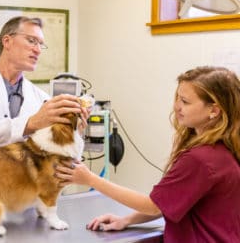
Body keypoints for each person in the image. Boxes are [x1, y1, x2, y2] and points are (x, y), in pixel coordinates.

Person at [55, 66, 240, 242]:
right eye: (177, 98)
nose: (176, 107)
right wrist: (126, 220)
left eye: (185, 102)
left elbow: (152, 206)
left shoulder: (201, 159)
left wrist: (90, 179)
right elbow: (172, 201)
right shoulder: (224, 149)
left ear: (214, 110)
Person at [0, 16, 88, 169]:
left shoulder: (42, 98)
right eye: (31, 41)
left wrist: (74, 132)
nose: (37, 50)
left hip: (22, 190)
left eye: (40, 44)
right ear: (7, 41)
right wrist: (31, 123)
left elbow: (52, 153)